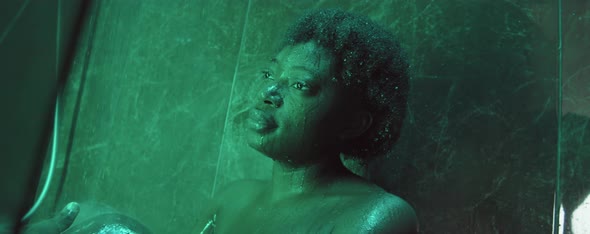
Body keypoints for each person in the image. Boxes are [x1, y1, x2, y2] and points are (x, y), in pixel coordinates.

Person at [198, 9, 418, 234]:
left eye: (300, 85)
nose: (268, 93)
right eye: (269, 74)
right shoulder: (229, 201)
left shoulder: (375, 214)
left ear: (353, 123)